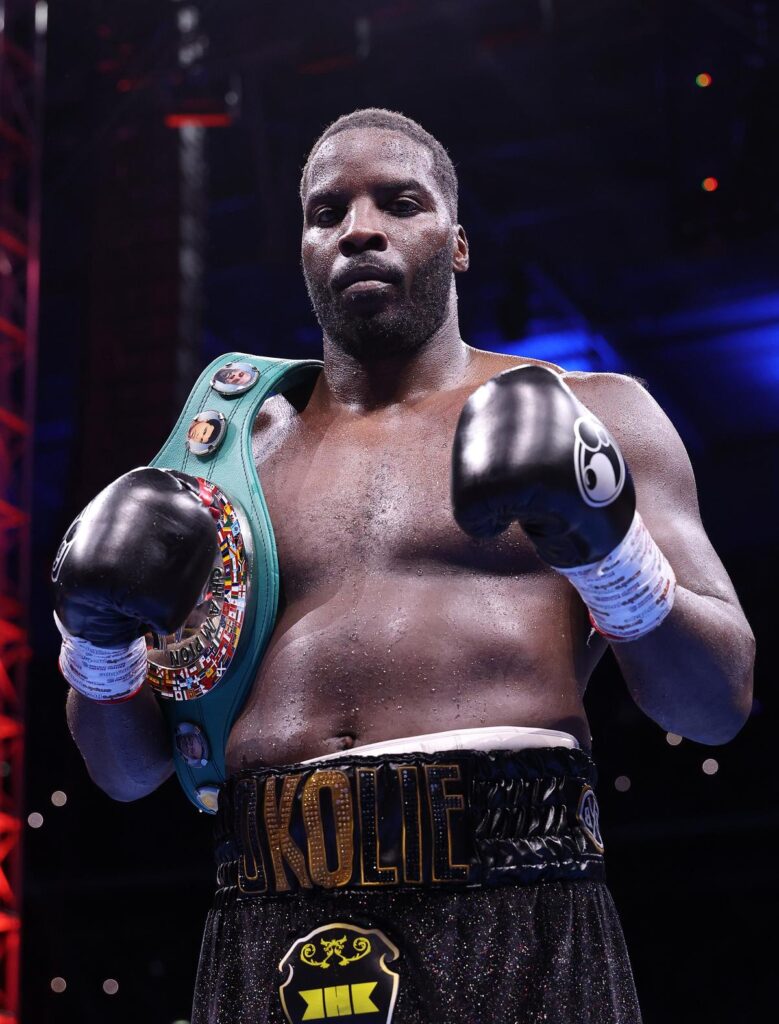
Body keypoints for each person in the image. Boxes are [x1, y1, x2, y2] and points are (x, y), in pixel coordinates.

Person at [54, 109, 755, 1024]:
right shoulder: (227, 465)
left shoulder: (594, 414)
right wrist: (97, 647)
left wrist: (608, 551)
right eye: (327, 212)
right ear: (304, 251)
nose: (359, 229)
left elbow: (714, 703)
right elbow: (126, 773)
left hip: (514, 910)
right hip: (264, 915)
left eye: (399, 202)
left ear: (456, 243)